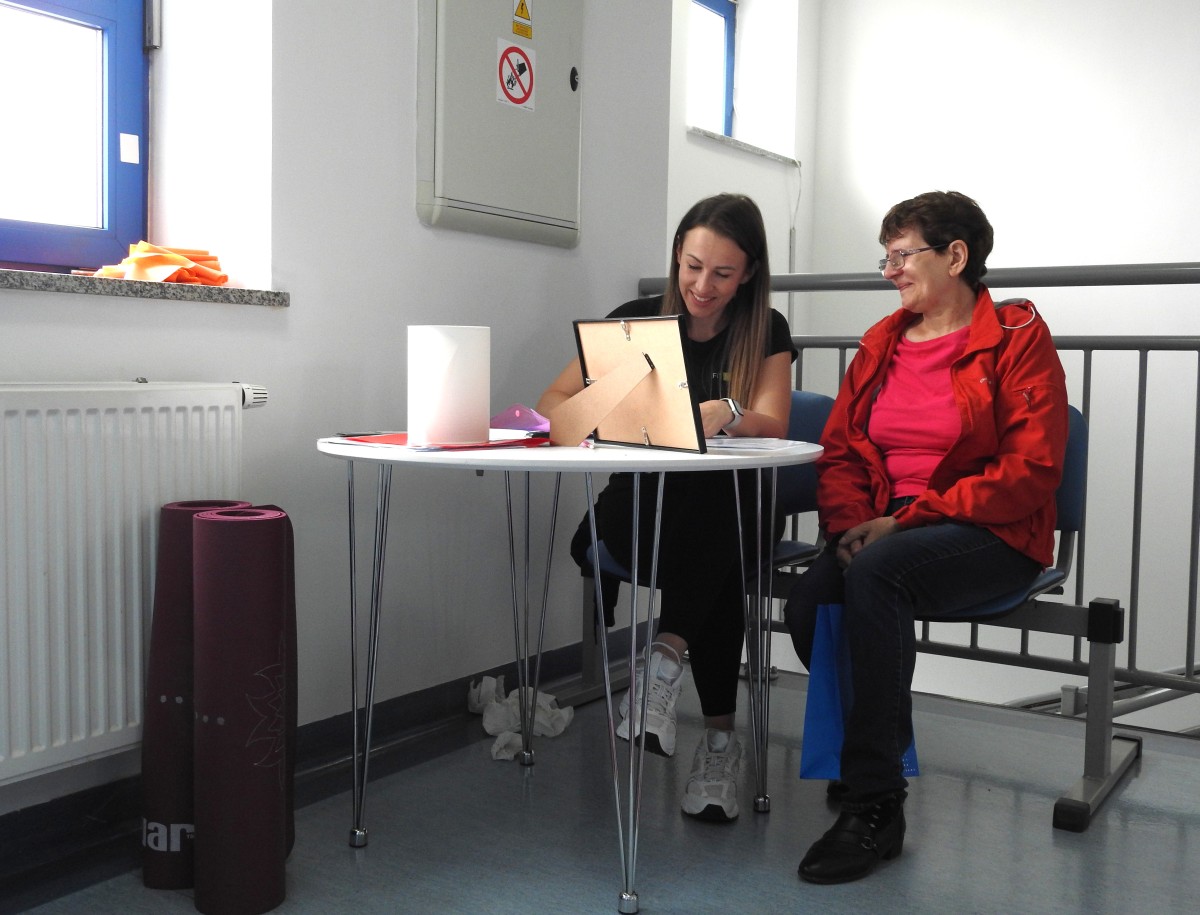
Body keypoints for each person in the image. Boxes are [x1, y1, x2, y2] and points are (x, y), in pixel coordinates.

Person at [783, 191, 1068, 883]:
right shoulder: (881, 342)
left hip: (988, 529)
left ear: (956, 256)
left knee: (876, 575)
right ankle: (874, 751)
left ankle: (875, 803)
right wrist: (850, 525)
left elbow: (1030, 469)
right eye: (886, 258)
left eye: (902, 256)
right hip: (884, 526)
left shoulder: (1017, 337)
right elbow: (842, 450)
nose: (890, 272)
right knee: (809, 605)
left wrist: (901, 524)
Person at [537, 193, 797, 822]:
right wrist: (610, 396)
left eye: (723, 273)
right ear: (677, 256)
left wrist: (726, 412)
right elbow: (552, 410)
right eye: (692, 266)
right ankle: (716, 743)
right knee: (718, 550)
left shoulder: (765, 329)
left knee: (717, 502)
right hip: (641, 508)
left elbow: (775, 421)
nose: (702, 286)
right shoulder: (635, 324)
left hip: (732, 509)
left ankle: (662, 666)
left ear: (749, 274)